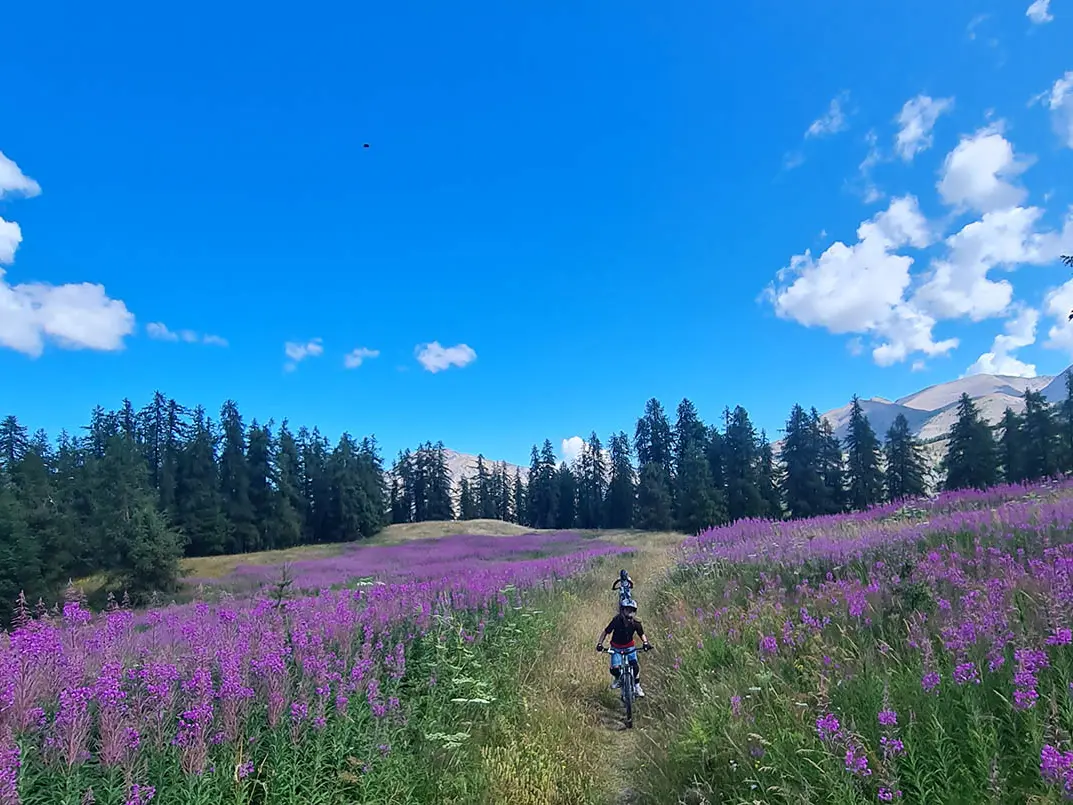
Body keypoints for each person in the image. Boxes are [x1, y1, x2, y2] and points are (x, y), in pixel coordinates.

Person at [596, 597, 650, 697]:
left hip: (630, 648)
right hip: (616, 648)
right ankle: (618, 678)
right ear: (622, 610)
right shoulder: (616, 620)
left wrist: (645, 643)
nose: (629, 612)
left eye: (632, 610)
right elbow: (606, 632)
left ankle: (637, 686)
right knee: (614, 669)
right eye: (627, 609)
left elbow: (641, 634)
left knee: (635, 667)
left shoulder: (636, 623)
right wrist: (600, 643)